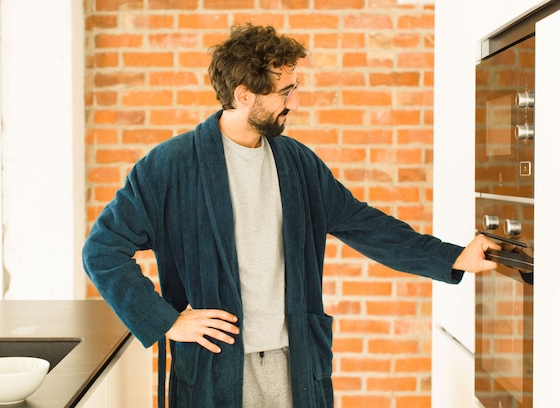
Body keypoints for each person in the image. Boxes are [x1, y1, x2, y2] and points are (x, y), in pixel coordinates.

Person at [82, 23, 500, 408]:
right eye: (285, 92)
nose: (294, 103)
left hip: (294, 360)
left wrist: (453, 257)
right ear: (244, 95)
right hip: (215, 367)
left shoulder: (298, 164)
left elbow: (365, 225)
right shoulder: (170, 166)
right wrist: (168, 321)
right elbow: (102, 251)